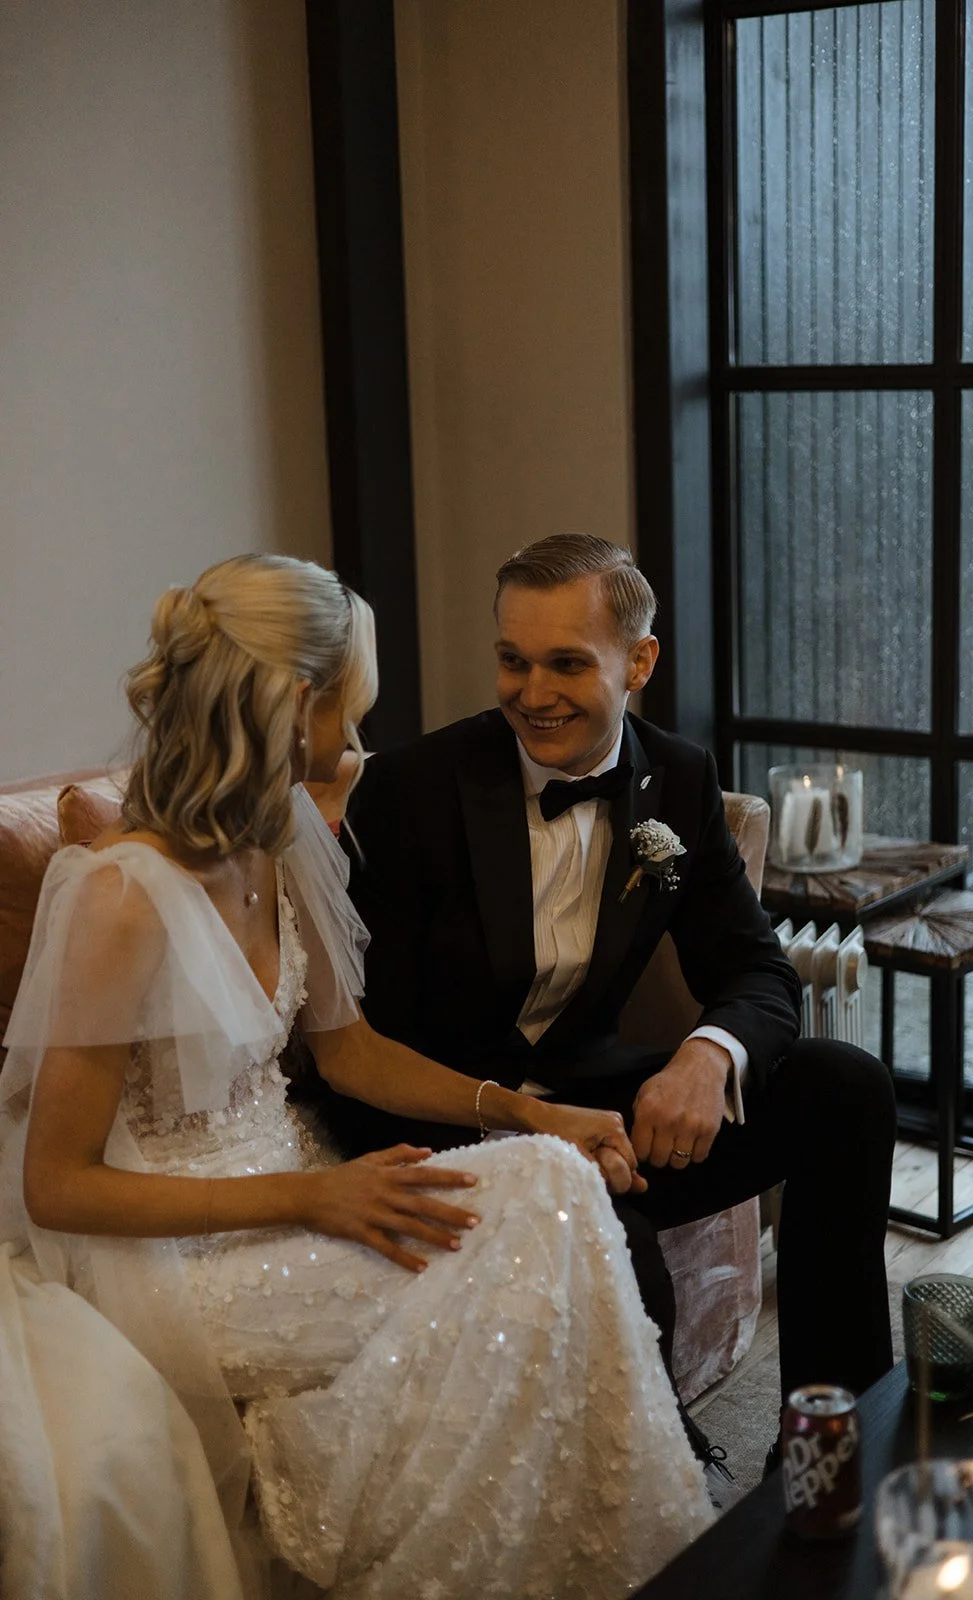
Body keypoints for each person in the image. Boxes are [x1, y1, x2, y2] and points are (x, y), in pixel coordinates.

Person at [0, 553, 714, 1600]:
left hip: (301, 1184)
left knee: (550, 1183)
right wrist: (316, 1193)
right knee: (533, 1253)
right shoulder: (120, 894)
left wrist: (529, 1111)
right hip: (179, 1254)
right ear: (296, 703)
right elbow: (52, 1183)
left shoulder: (281, 834)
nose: (361, 736)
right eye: (353, 706)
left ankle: (614, 1552)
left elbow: (347, 1049)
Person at [328, 533, 897, 1462]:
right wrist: (533, 1134)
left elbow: (756, 970)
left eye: (565, 663)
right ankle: (670, 1483)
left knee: (845, 1088)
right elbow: (365, 1038)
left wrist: (705, 1055)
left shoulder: (675, 779)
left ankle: (830, 1443)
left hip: (601, 1105)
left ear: (638, 662)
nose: (530, 691)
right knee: (611, 1241)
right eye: (512, 660)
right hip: (454, 1127)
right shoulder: (409, 790)